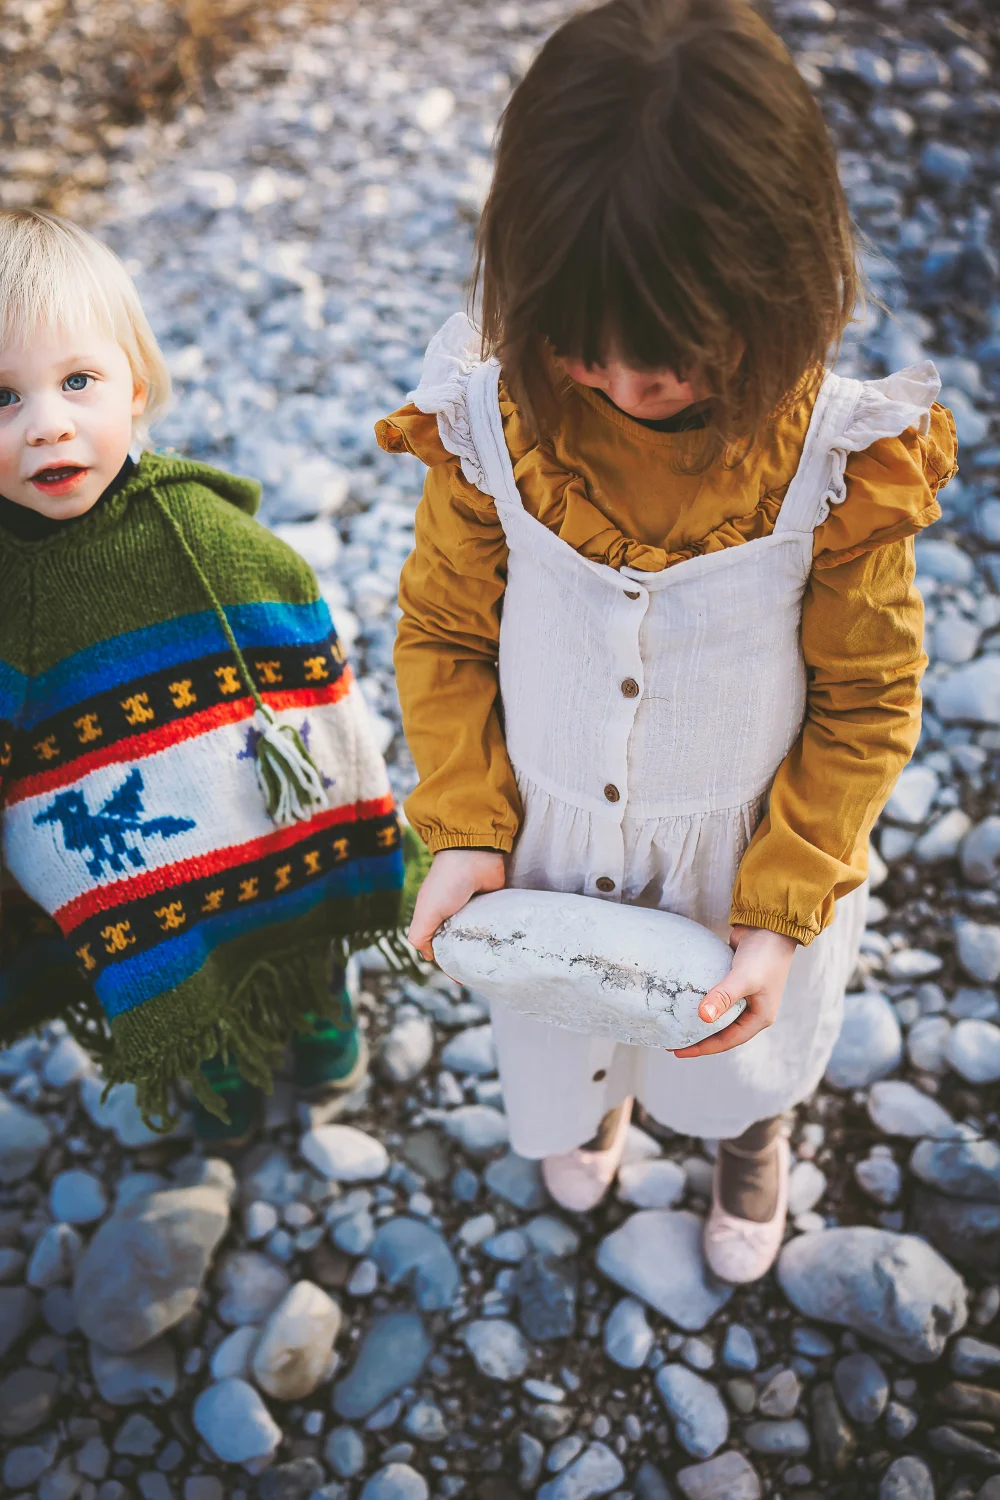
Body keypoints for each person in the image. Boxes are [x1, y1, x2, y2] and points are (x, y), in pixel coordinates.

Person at [377, 0, 957, 1283]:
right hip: (549, 841)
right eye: (583, 354)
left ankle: (751, 1140)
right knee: (572, 1016)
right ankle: (596, 1103)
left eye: (668, 365)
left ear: (779, 286)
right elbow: (442, 630)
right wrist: (467, 826)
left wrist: (784, 902)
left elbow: (866, 695)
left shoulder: (836, 460)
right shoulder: (494, 418)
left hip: (743, 858)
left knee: (738, 1040)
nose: (622, 390)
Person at [0, 209, 410, 1140]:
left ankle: (320, 1030)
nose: (46, 426)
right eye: (3, 398)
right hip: (134, 878)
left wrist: (344, 807)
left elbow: (305, 667)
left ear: (135, 386)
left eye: (77, 381)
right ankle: (215, 1068)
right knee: (179, 974)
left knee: (299, 940)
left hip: (265, 822)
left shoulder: (207, 540)